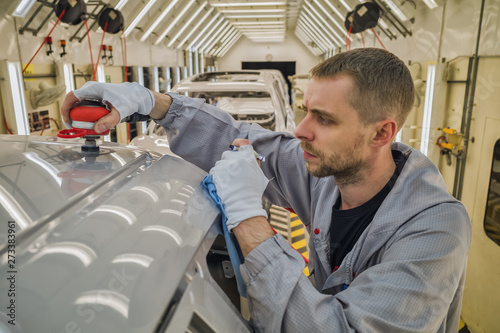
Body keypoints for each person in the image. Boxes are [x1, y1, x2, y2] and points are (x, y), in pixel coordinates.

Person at [61, 48, 471, 332]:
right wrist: (153, 101)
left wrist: (247, 216)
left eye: (324, 119)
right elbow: (243, 138)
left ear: (382, 132)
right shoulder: (331, 175)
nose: (301, 130)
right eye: (305, 110)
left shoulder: (435, 232)